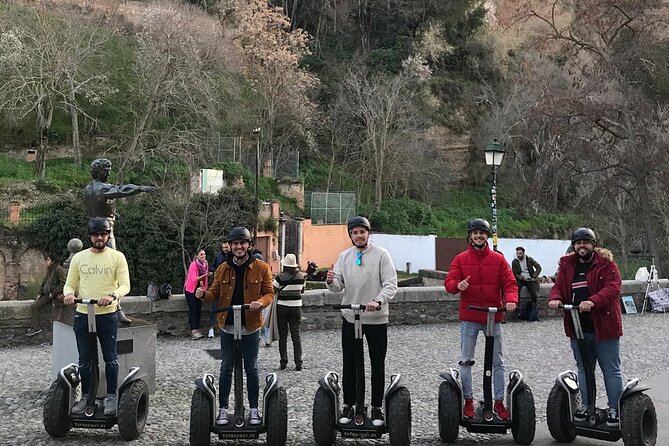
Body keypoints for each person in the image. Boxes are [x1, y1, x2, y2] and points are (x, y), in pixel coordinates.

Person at [195, 226, 273, 426]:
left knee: (252, 367)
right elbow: (214, 294)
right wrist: (203, 295)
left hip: (250, 324)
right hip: (228, 325)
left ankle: (254, 409)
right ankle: (223, 409)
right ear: (230, 246)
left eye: (242, 243)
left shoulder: (261, 267)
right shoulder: (223, 269)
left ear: (249, 245)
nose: (239, 247)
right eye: (235, 243)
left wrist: (260, 303)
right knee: (226, 367)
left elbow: (269, 293)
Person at [548, 227, 624, 427]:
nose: (582, 246)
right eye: (578, 242)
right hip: (577, 327)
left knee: (611, 370)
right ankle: (587, 407)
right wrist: (555, 298)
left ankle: (615, 408)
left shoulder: (607, 265)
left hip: (604, 327)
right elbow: (558, 285)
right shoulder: (567, 265)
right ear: (574, 245)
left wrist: (593, 301)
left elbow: (613, 288)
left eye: (586, 242)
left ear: (593, 245)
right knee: (583, 368)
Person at [326, 216, 397, 427]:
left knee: (377, 363)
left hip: (375, 318)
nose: (359, 236)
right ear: (350, 235)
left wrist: (378, 300)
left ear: (368, 233)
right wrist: (331, 280)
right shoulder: (345, 256)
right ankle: (349, 403)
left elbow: (391, 285)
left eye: (362, 232)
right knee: (350, 362)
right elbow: (339, 286)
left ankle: (376, 407)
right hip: (351, 317)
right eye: (355, 233)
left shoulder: (381, 255)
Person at [443, 218, 518, 420]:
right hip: (470, 315)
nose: (478, 236)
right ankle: (468, 400)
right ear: (470, 236)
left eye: (482, 233)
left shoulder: (498, 259)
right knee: (466, 360)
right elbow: (449, 281)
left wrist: (510, 300)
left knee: (498, 361)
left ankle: (499, 402)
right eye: (475, 233)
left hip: (493, 317)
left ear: (487, 236)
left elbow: (510, 283)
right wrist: (457, 286)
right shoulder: (460, 259)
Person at [62, 217, 130, 416]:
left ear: (108, 235)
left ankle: (111, 396)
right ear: (90, 236)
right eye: (96, 235)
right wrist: (68, 294)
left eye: (103, 234)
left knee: (110, 357)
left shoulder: (117, 257)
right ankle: (86, 396)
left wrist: (112, 295)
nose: (99, 238)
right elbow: (70, 283)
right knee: (84, 359)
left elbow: (125, 285)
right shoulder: (79, 258)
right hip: (83, 313)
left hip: (107, 315)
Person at [83, 158, 153, 325]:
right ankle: (117, 308)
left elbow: (95, 208)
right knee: (113, 267)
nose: (108, 173)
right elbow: (122, 190)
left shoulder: (88, 188)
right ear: (97, 172)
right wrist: (140, 188)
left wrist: (111, 214)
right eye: (105, 170)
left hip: (93, 226)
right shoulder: (103, 188)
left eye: (109, 169)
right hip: (105, 229)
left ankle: (106, 306)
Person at [273, 253, 306, 371]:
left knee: (283, 335)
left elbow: (273, 289)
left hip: (282, 307)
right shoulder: (301, 276)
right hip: (296, 308)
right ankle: (299, 362)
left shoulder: (280, 277)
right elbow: (302, 290)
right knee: (296, 335)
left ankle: (283, 361)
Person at [26, 252, 67, 337]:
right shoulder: (49, 270)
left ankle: (55, 338)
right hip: (47, 295)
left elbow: (63, 283)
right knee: (34, 306)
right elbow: (44, 283)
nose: (46, 262)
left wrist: (54, 293)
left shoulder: (59, 269)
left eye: (48, 260)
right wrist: (40, 293)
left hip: (56, 297)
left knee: (55, 319)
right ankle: (36, 327)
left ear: (53, 261)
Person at [207, 240, 231, 338]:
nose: (225, 249)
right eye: (223, 248)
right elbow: (212, 267)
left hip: (229, 285)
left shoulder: (233, 256)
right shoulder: (218, 256)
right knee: (214, 307)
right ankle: (211, 328)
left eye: (226, 248)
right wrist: (216, 271)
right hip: (219, 284)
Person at [511, 246, 542, 320]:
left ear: (523, 253)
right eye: (518, 253)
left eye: (520, 253)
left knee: (534, 294)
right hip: (520, 279)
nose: (519, 255)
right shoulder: (514, 261)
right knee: (516, 291)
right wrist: (522, 278)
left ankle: (533, 309)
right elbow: (515, 273)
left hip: (529, 278)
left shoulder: (529, 259)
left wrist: (534, 276)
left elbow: (538, 267)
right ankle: (517, 309)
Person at [184, 249, 209, 340]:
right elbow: (194, 279)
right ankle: (193, 330)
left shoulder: (205, 265)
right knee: (193, 309)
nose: (203, 256)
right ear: (197, 256)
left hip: (199, 289)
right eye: (201, 254)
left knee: (199, 309)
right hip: (191, 289)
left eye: (204, 254)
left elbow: (205, 281)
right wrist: (205, 275)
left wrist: (205, 291)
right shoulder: (193, 265)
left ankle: (197, 329)